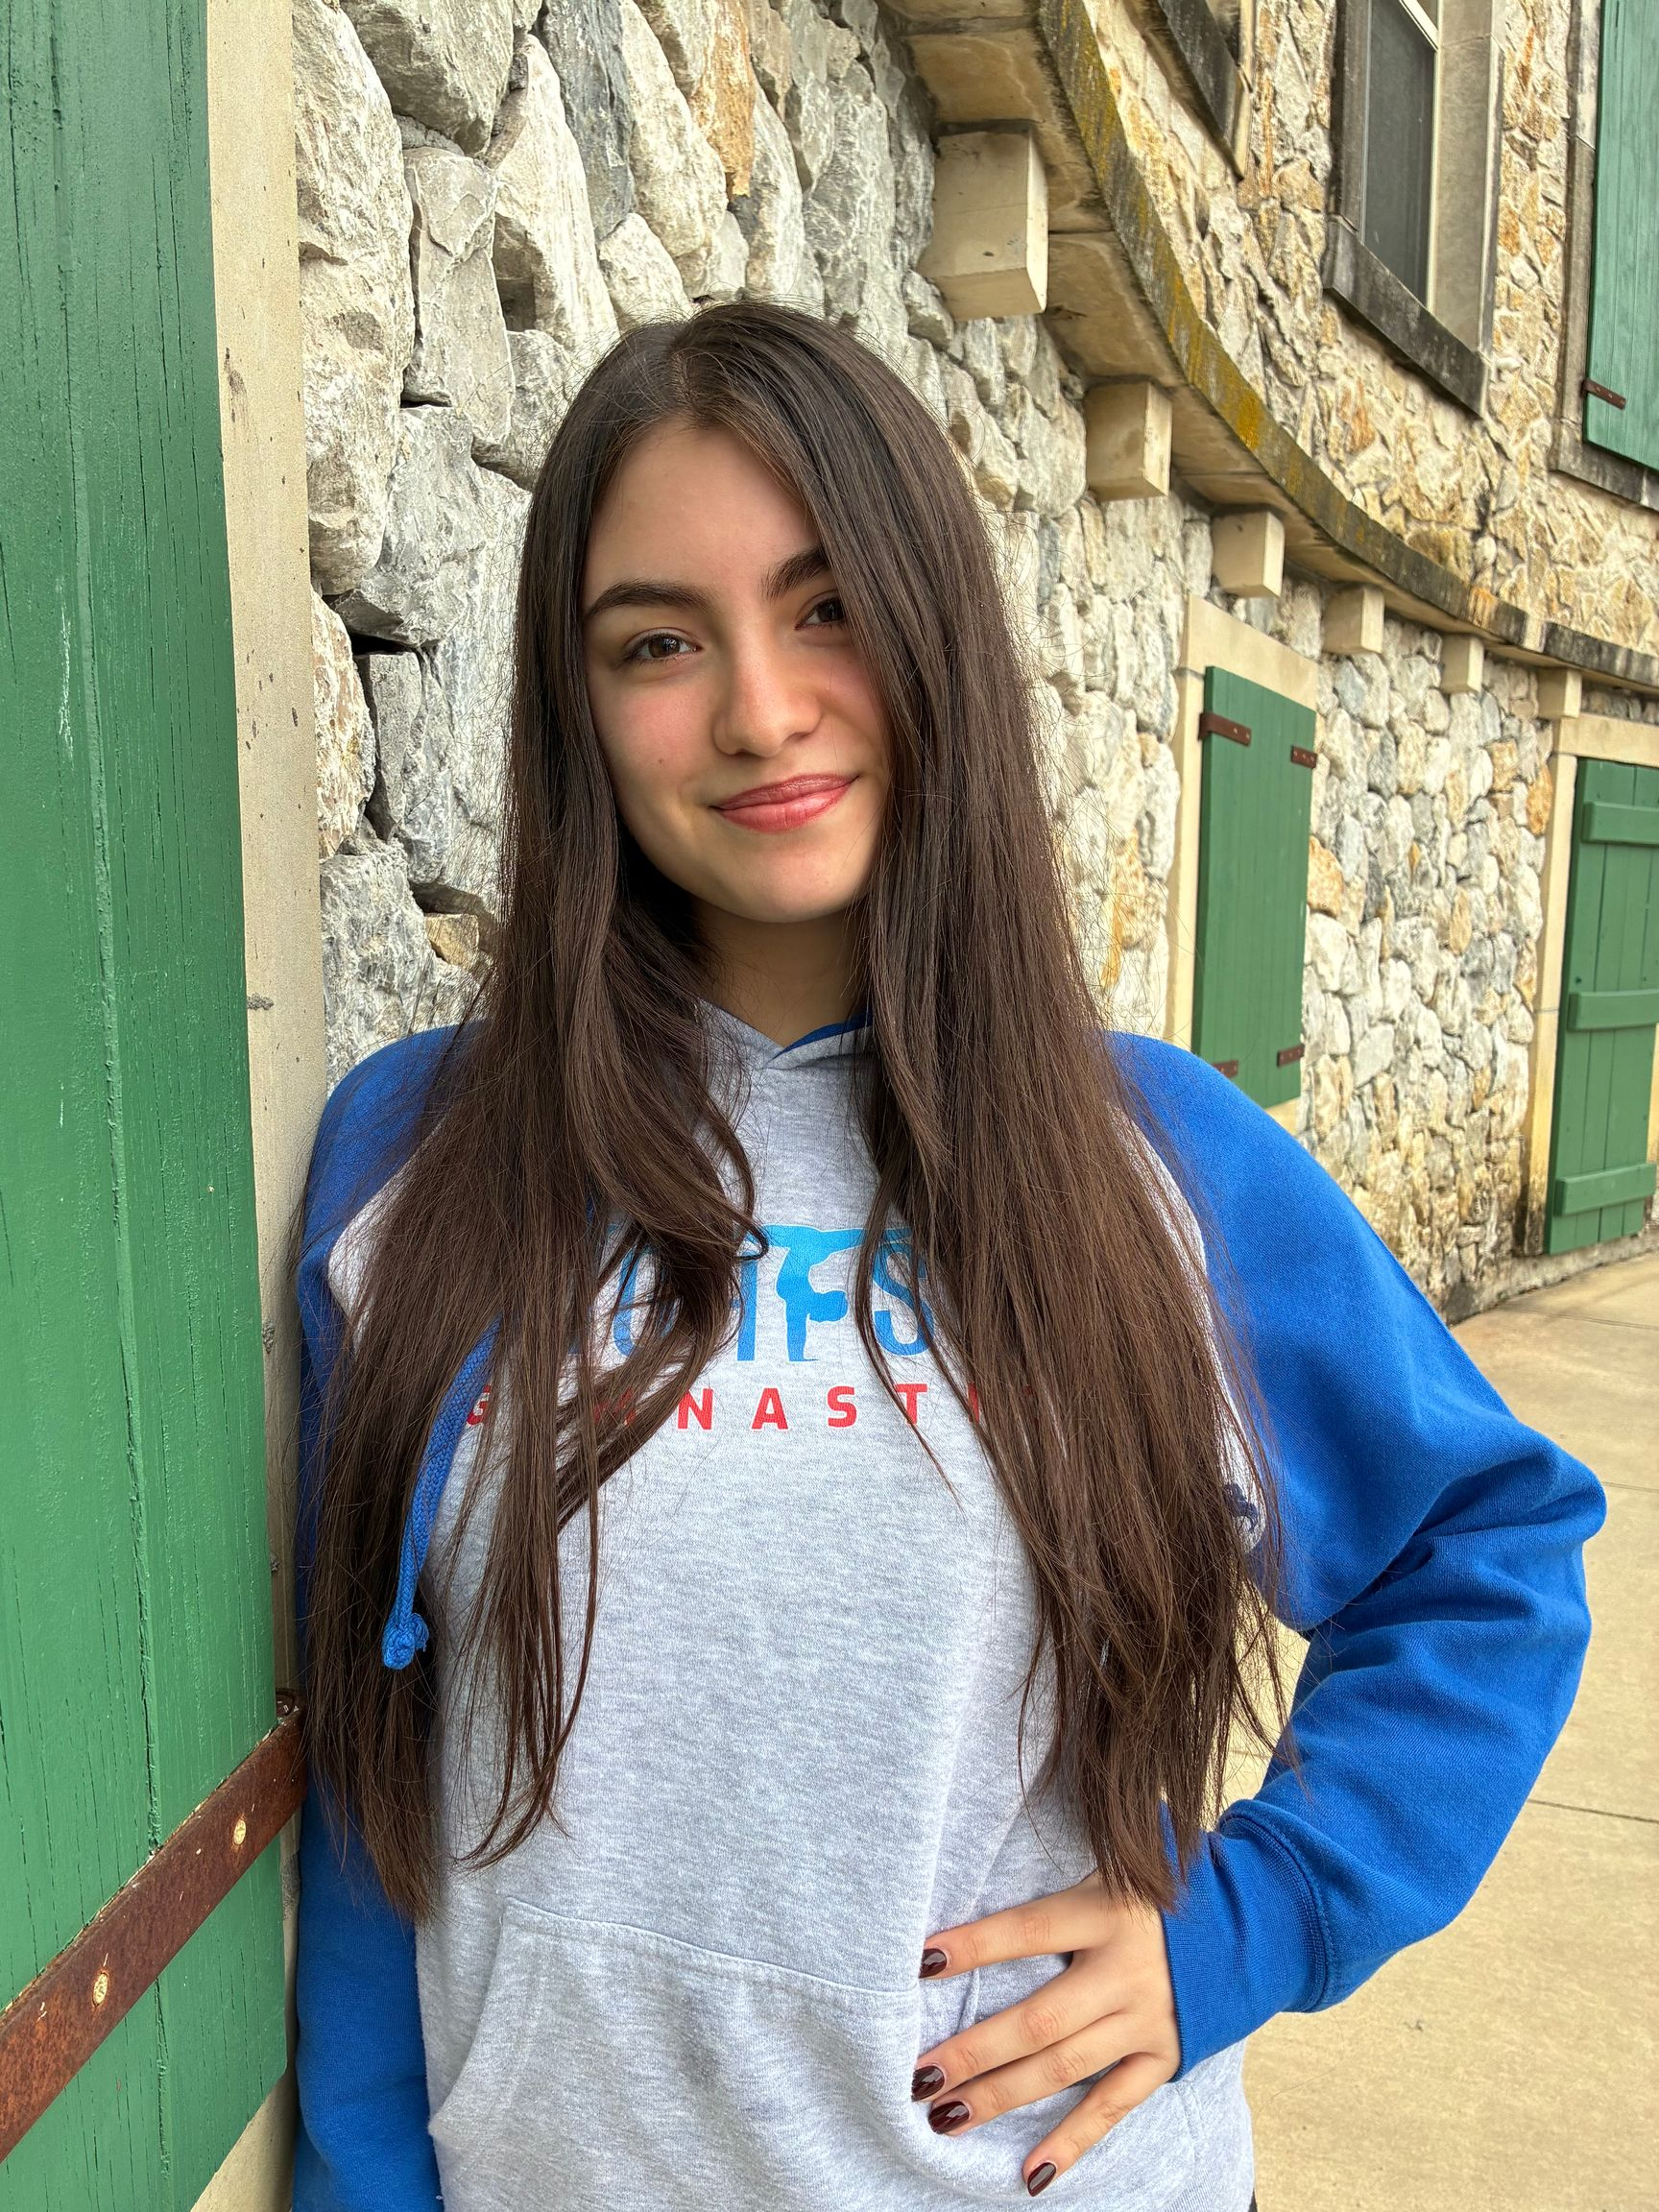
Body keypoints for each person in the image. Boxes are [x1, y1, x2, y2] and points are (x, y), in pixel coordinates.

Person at [289, 301, 1603, 2212]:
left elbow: (1488, 1554)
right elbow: (366, 1779)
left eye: (825, 608)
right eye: (658, 642)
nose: (759, 710)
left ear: (935, 631)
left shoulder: (1157, 1168)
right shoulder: (412, 1165)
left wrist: (1256, 1921)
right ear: (578, 711)